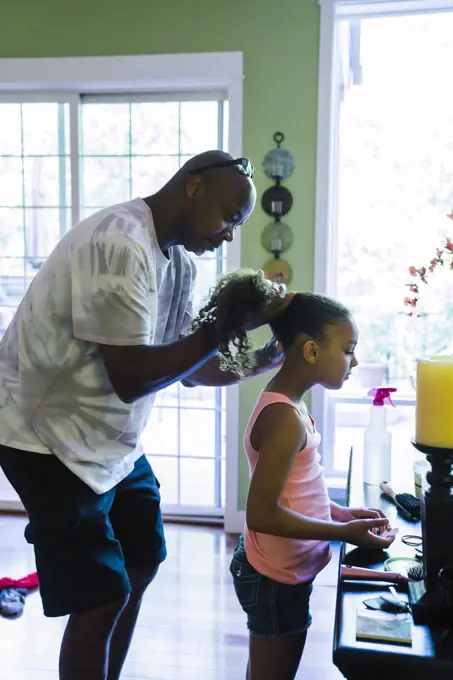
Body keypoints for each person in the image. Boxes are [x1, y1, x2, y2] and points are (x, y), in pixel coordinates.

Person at [0, 151, 291, 680]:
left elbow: (187, 365)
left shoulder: (179, 263)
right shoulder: (118, 242)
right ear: (194, 188)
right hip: (39, 435)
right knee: (99, 596)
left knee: (142, 557)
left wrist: (261, 358)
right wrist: (223, 325)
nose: (230, 235)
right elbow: (132, 376)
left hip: (107, 440)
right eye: (229, 216)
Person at [196, 277, 395, 680]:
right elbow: (262, 515)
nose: (354, 361)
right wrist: (346, 534)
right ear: (310, 350)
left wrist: (340, 513)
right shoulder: (284, 418)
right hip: (274, 579)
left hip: (281, 572)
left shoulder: (292, 407)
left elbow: (297, 490)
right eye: (348, 350)